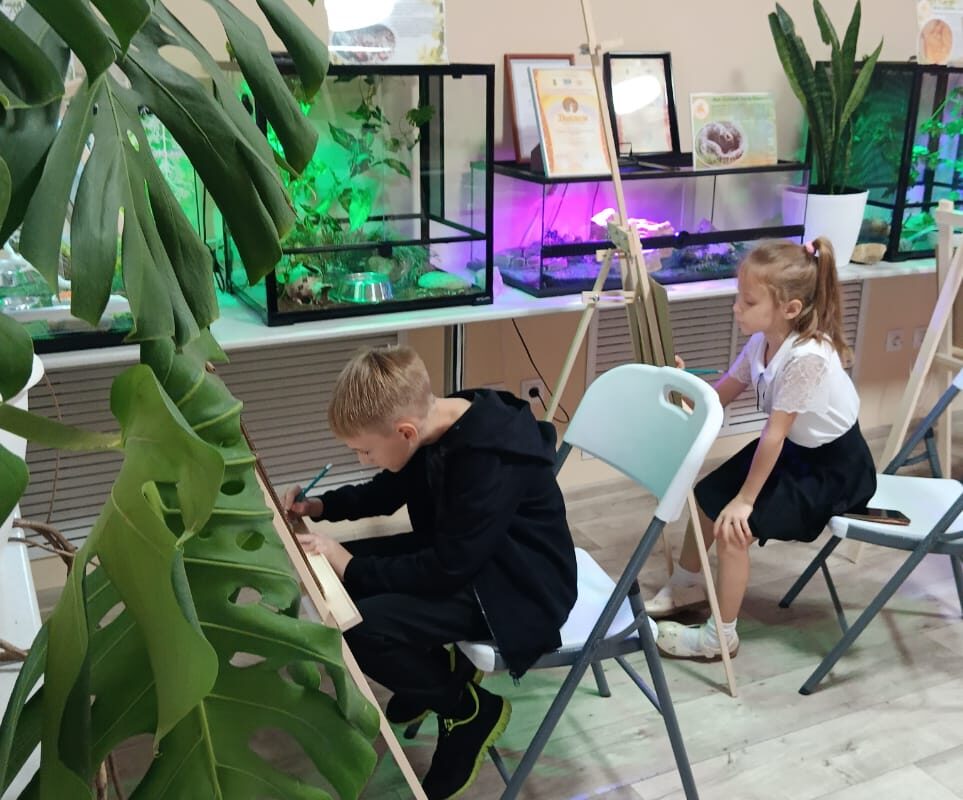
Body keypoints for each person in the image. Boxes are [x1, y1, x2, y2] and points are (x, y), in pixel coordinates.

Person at [283, 345, 577, 800]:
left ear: (404, 431)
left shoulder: (488, 456)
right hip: (468, 556)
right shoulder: (435, 422)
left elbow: (446, 569)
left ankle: (467, 711)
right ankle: (436, 677)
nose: (362, 459)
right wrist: (321, 506)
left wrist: (352, 565)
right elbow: (387, 491)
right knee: (342, 581)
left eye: (365, 450)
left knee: (360, 628)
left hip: (519, 587)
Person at [652, 237, 877, 660]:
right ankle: (688, 584)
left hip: (834, 470)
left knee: (732, 529)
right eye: (740, 296)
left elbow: (773, 434)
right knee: (706, 497)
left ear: (790, 308)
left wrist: (745, 500)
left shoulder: (807, 357)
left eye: (748, 301)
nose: (736, 307)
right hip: (794, 451)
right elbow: (719, 396)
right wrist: (680, 387)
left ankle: (720, 638)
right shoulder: (762, 341)